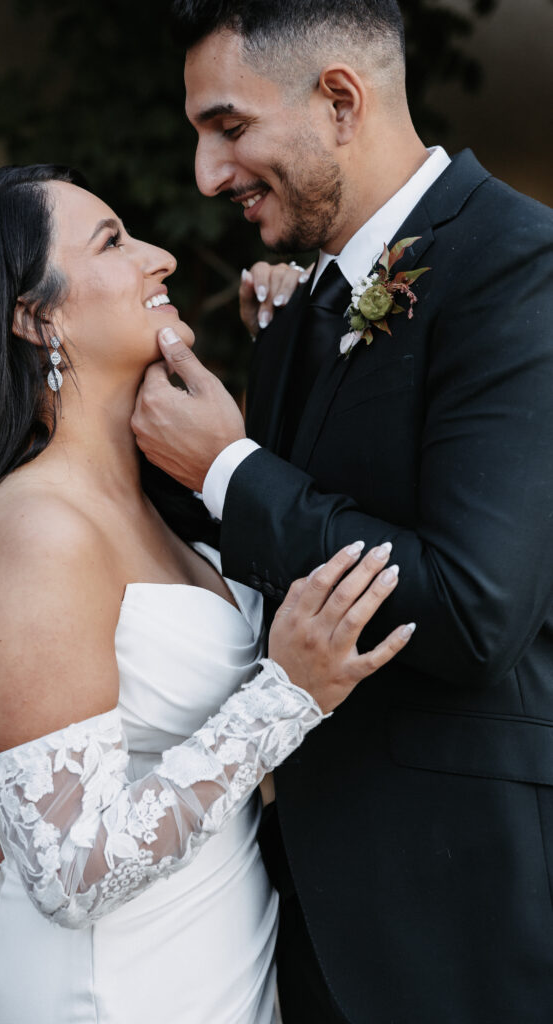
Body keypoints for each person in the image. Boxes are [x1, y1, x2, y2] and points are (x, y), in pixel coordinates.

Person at [0, 164, 412, 1023]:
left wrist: (293, 336)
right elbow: (70, 874)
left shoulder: (162, 504)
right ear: (34, 317)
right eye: (113, 242)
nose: (159, 256)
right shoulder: (33, 533)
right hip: (109, 992)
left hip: (215, 975)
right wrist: (285, 695)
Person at [128, 2, 553, 1022]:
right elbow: (254, 566)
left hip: (464, 919)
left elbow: (472, 609)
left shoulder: (518, 266)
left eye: (228, 127)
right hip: (303, 914)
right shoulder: (297, 305)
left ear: (339, 101)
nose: (207, 175)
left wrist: (227, 467)